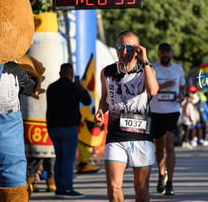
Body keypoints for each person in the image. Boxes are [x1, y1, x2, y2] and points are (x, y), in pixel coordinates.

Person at [94, 30, 159, 202]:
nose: (124, 52)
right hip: (116, 136)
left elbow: (153, 91)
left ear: (137, 49)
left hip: (142, 137)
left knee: (141, 188)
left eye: (129, 47)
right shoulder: (107, 72)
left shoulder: (147, 70)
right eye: (120, 47)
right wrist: (101, 111)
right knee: (114, 187)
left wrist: (145, 61)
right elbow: (104, 99)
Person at [46, 63, 92, 199]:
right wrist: (82, 88)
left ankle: (59, 187)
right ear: (71, 74)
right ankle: (67, 188)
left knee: (59, 158)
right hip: (68, 128)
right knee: (67, 159)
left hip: (53, 127)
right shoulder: (74, 87)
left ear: (60, 73)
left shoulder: (51, 87)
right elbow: (87, 101)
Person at [150, 42, 186, 195]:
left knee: (169, 145)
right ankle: (161, 174)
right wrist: (165, 86)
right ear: (158, 54)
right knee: (158, 147)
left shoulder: (178, 68)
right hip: (156, 111)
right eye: (162, 52)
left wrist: (181, 95)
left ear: (171, 53)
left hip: (172, 111)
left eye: (167, 52)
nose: (165, 54)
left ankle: (170, 182)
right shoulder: (152, 68)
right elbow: (149, 88)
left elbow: (182, 87)